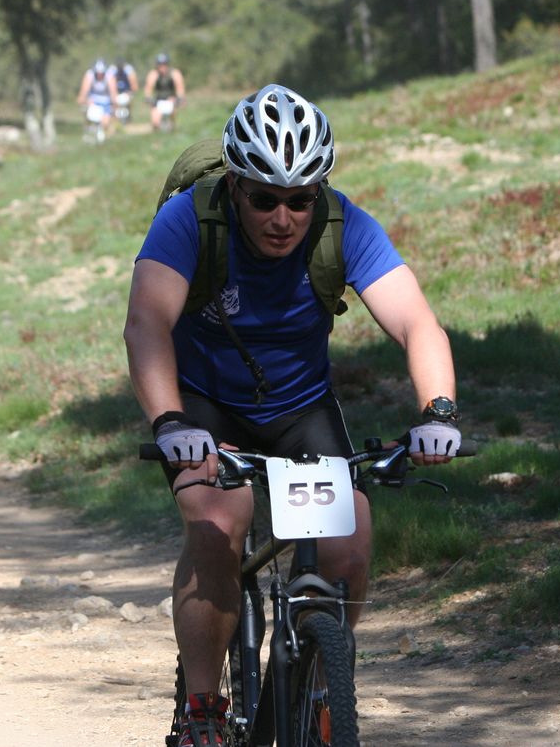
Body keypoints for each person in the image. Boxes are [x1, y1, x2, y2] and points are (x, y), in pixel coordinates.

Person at [123, 84, 462, 746]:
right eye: (264, 200)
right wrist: (170, 423)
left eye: (300, 200)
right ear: (236, 187)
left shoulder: (344, 226)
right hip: (202, 406)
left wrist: (439, 412)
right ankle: (202, 708)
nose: (283, 217)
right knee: (220, 521)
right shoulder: (191, 221)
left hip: (299, 407)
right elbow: (147, 323)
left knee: (348, 543)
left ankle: (316, 686)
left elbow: (416, 322)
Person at [143, 52, 186, 131]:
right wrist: (148, 98)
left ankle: (172, 126)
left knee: (172, 122)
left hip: (171, 99)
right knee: (155, 123)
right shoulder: (153, 74)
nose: (162, 66)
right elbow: (148, 88)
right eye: (160, 64)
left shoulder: (175, 73)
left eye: (164, 64)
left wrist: (180, 98)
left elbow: (180, 87)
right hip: (158, 100)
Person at [76, 57, 115, 140]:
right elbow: (84, 91)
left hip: (106, 102)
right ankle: (89, 133)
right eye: (98, 73)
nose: (99, 75)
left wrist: (114, 105)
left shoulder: (109, 76)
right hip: (93, 101)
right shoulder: (89, 75)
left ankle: (102, 136)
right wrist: (84, 100)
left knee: (105, 123)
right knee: (90, 117)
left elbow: (113, 92)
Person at [110, 57, 138, 125]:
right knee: (113, 104)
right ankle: (115, 120)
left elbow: (134, 85)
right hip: (116, 93)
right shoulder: (113, 71)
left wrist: (130, 93)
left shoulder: (128, 70)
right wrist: (114, 95)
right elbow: (111, 85)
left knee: (128, 102)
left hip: (127, 92)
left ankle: (128, 118)